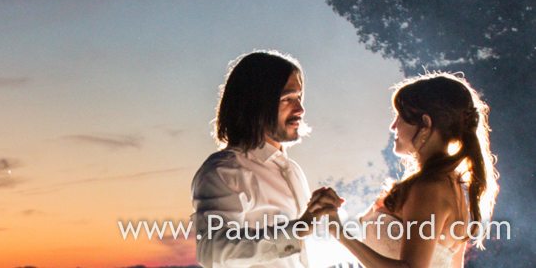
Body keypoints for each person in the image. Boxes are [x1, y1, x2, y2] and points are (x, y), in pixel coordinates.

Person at [322, 73, 498, 268]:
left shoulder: (430, 187)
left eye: (400, 117)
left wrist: (339, 232)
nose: (393, 126)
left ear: (425, 124)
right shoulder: (451, 185)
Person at [191, 51, 339, 268]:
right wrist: (298, 229)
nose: (300, 109)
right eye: (287, 99)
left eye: (299, 97)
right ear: (255, 104)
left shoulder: (293, 170)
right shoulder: (223, 171)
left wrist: (321, 216)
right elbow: (212, 251)